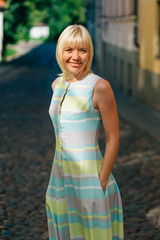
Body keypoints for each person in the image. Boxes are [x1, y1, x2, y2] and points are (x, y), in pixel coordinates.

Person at [45, 24, 124, 240]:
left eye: (83, 50)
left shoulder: (99, 86)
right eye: (69, 49)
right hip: (59, 177)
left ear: (90, 52)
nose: (76, 56)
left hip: (91, 178)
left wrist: (101, 181)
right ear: (60, 52)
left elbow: (113, 137)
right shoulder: (57, 85)